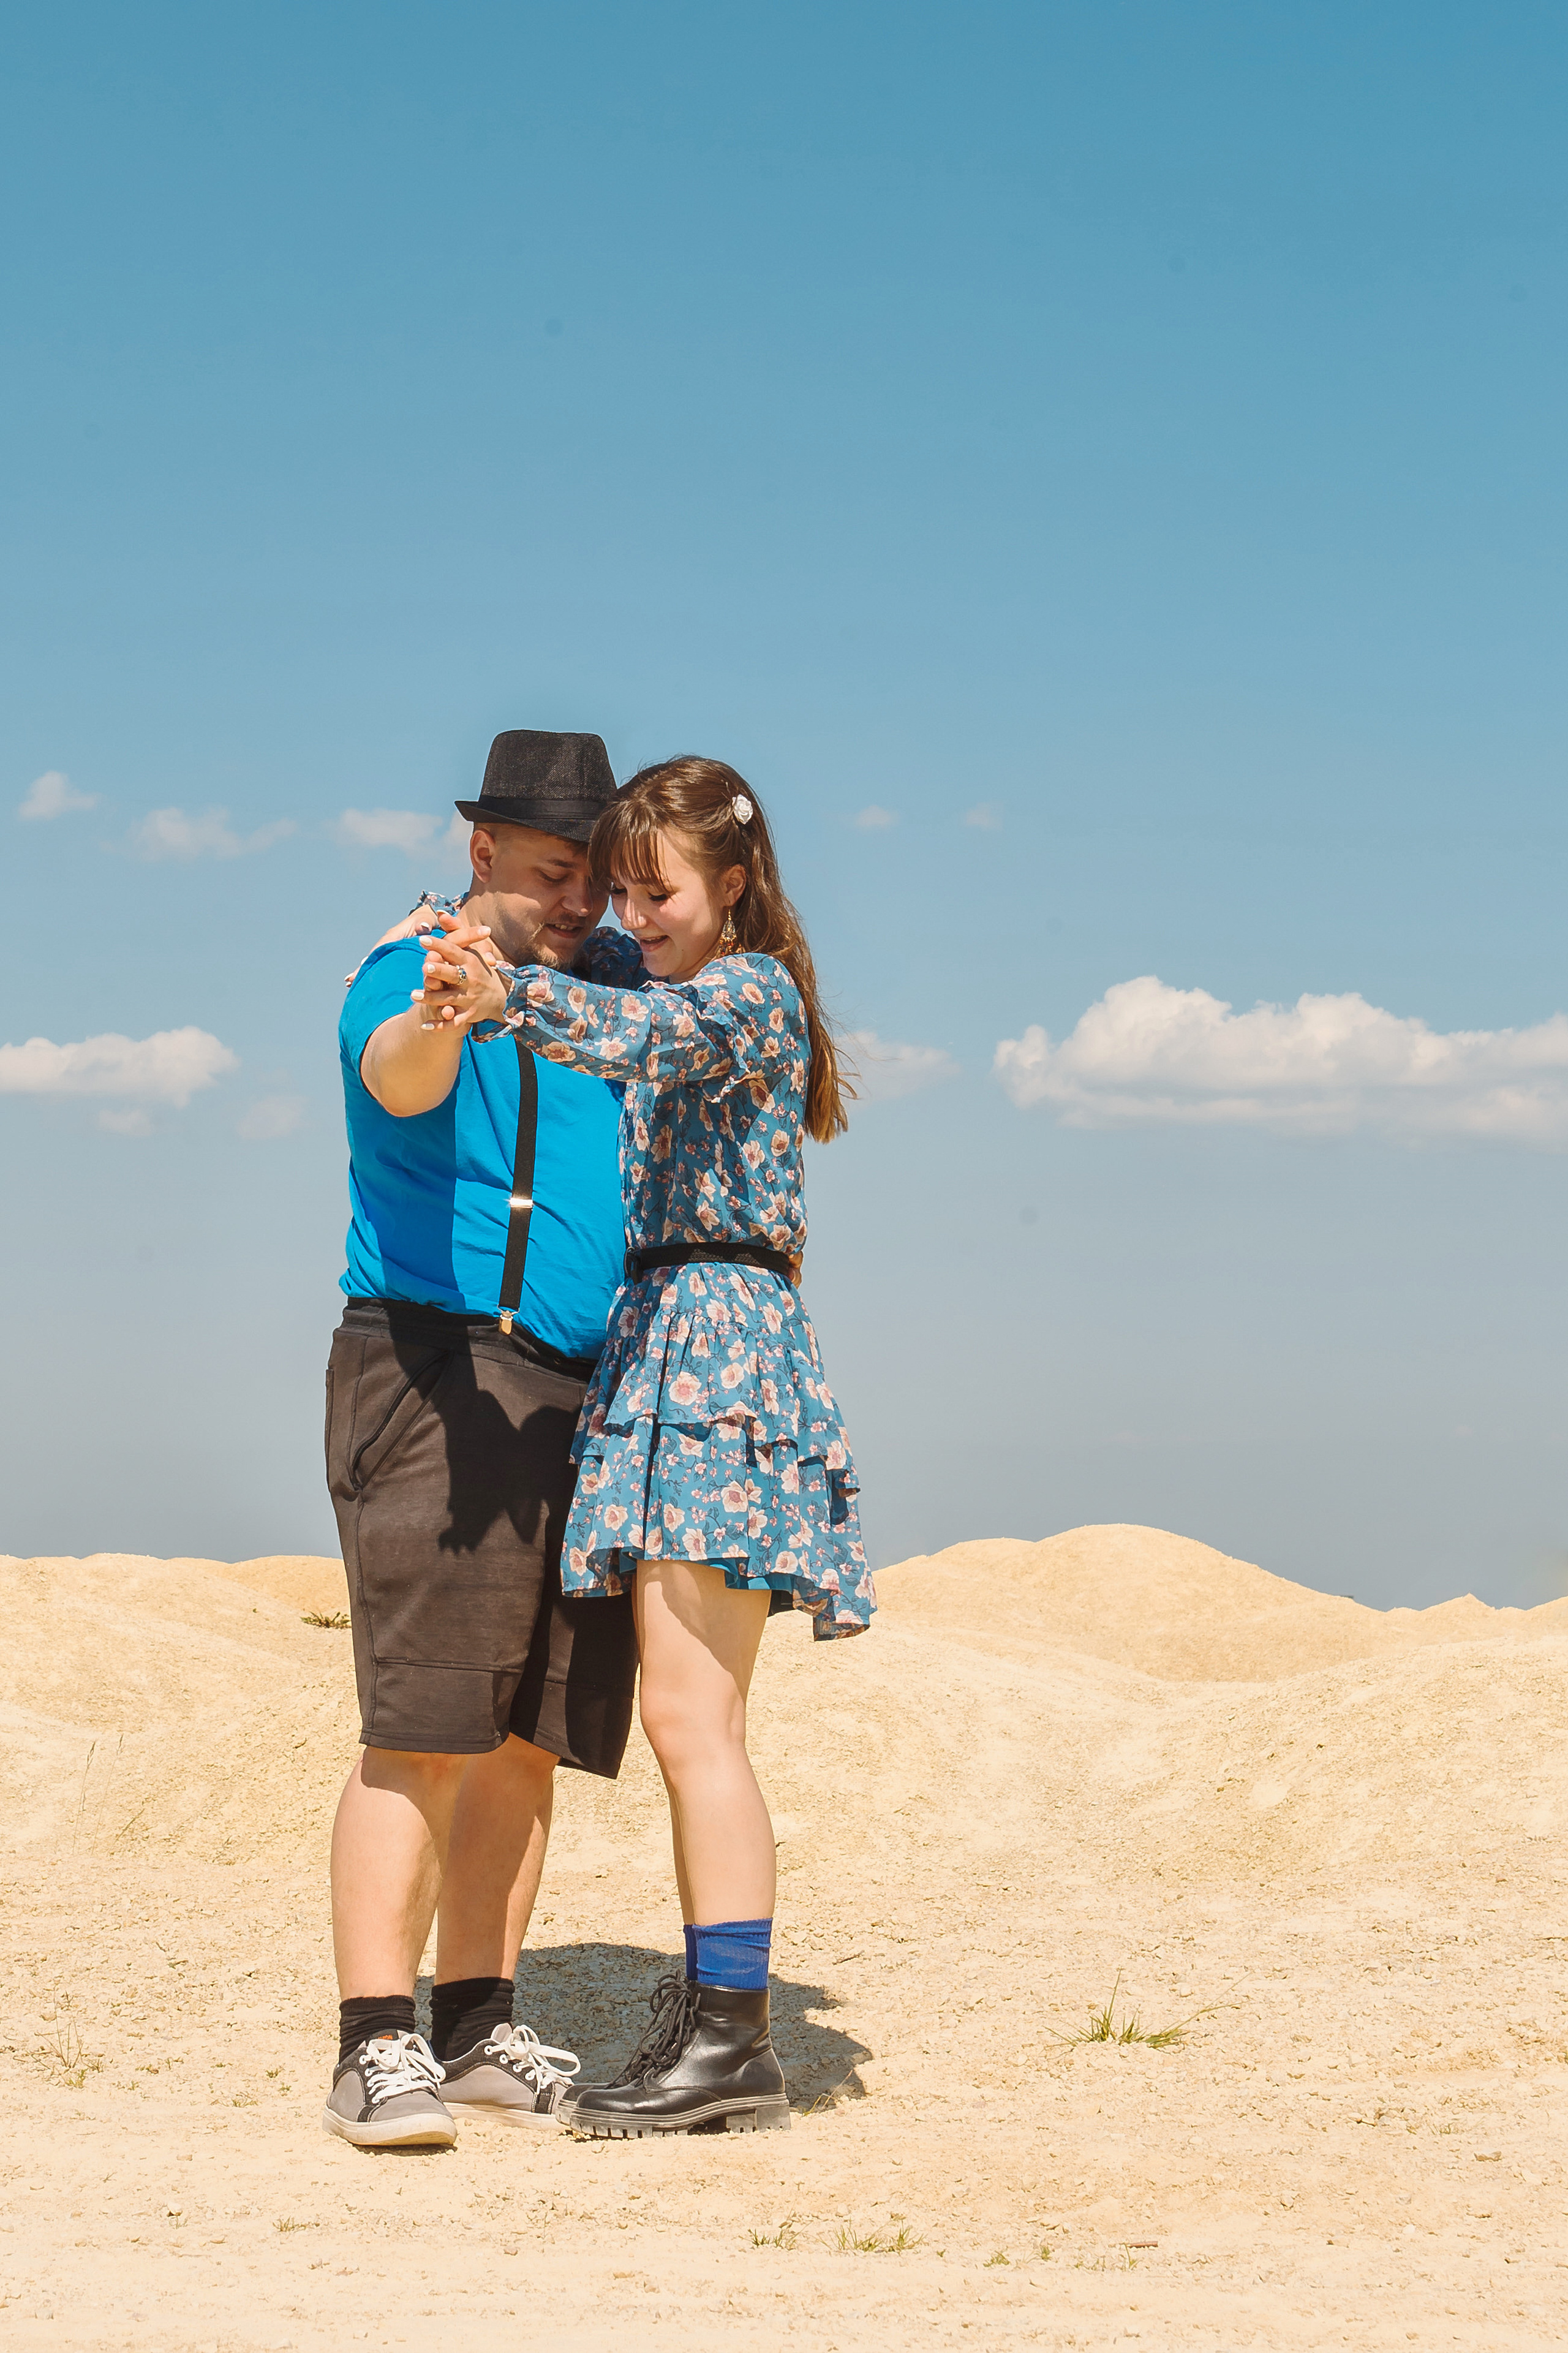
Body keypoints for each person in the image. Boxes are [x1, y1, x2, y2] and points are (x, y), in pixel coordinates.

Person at [415, 753, 874, 2138]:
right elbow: (566, 948)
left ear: (734, 883)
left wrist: (509, 989)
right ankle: (721, 2026)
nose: (634, 911)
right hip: (682, 1334)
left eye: (658, 887)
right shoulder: (681, 970)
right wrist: (472, 923)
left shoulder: (741, 994)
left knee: (693, 1722)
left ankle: (731, 2044)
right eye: (622, 886)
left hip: (715, 1344)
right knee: (697, 1720)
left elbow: (622, 1032)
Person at [322, 728, 638, 2150]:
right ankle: (370, 2044)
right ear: (482, 853)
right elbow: (395, 1074)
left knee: (524, 1736)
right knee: (425, 1724)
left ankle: (475, 2022)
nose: (578, 900)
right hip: (436, 1366)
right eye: (555, 871)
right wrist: (451, 1014)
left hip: (582, 1388)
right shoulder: (411, 970)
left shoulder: (612, 992)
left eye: (597, 875)